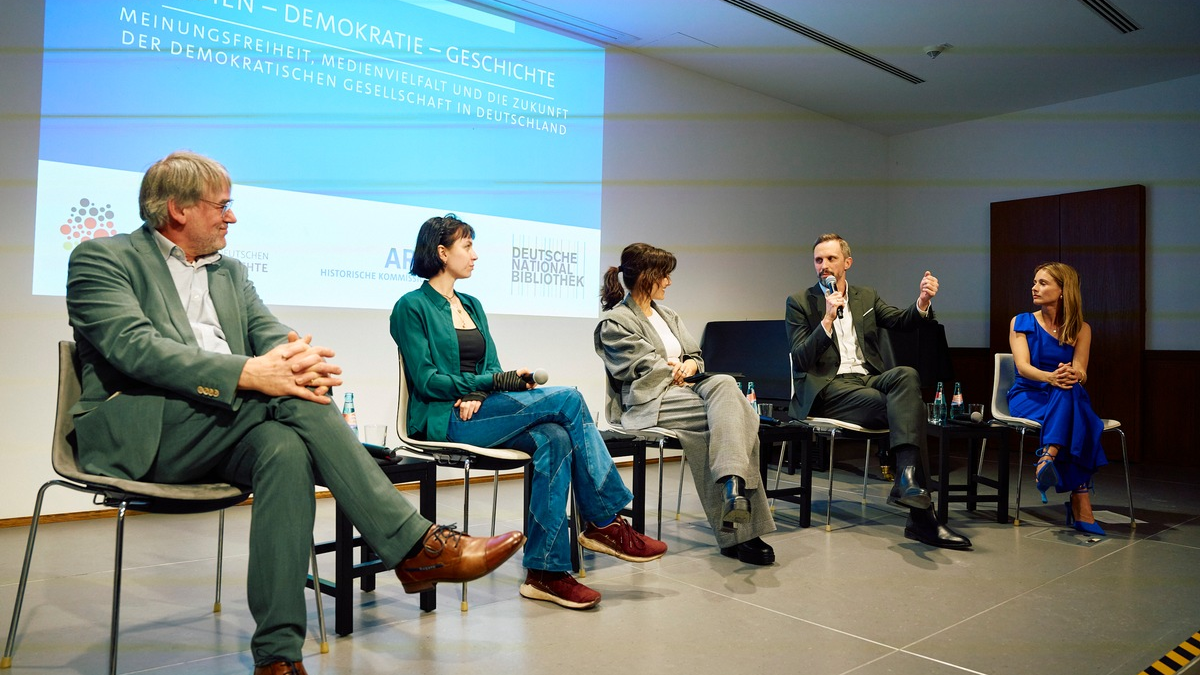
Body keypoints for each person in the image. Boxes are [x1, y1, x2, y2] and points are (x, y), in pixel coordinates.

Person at [65, 151, 525, 675]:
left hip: (221, 428)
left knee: (284, 449)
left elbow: (266, 330)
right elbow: (137, 349)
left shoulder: (230, 272)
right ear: (178, 209)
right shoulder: (102, 259)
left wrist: (297, 358)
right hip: (145, 433)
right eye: (221, 205)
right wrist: (251, 373)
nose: (232, 217)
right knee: (289, 396)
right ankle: (414, 545)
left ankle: (277, 657)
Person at [390, 214, 667, 611]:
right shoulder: (410, 307)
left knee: (554, 438)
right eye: (467, 246)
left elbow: (490, 366)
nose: (474, 255)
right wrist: (485, 384)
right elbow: (427, 380)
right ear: (442, 252)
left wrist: (485, 387)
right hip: (444, 418)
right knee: (568, 399)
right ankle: (604, 520)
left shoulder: (472, 305)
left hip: (480, 409)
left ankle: (545, 572)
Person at [785, 233, 971, 550]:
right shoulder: (800, 302)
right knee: (911, 409)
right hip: (828, 390)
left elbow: (900, 321)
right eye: (818, 260)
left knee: (906, 375)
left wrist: (922, 302)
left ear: (847, 262)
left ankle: (907, 478)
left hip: (867, 379)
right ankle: (922, 518)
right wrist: (827, 318)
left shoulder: (866, 296)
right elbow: (801, 358)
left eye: (831, 258)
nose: (824, 265)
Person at [594, 243, 777, 565]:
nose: (669, 281)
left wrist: (689, 365)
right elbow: (636, 367)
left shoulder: (669, 315)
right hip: (648, 402)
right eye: (664, 275)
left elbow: (695, 356)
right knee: (735, 417)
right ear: (646, 276)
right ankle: (741, 528)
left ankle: (733, 486)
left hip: (686, 393)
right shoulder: (615, 322)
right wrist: (673, 370)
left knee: (724, 385)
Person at [1007, 262, 1108, 535]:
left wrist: (1073, 374)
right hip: (1028, 395)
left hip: (1063, 395)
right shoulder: (1021, 322)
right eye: (1034, 282)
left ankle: (1048, 455)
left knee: (1070, 387)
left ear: (1063, 290)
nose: (1034, 288)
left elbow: (1082, 371)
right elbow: (1023, 367)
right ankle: (1080, 501)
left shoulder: (1081, 329)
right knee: (1080, 417)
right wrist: (1051, 377)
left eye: (1042, 283)